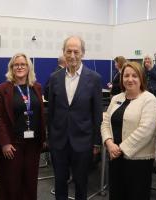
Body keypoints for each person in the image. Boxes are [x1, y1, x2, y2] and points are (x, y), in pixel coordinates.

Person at [47, 36, 102, 200]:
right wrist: (50, 137)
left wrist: (97, 142)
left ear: (82, 53)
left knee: (81, 183)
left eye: (76, 51)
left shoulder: (94, 79)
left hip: (83, 141)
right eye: (68, 51)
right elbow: (51, 111)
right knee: (60, 182)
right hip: (59, 141)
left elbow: (97, 113)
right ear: (63, 53)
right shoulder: (54, 78)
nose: (72, 55)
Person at [101, 61, 156, 200]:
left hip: (138, 161)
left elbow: (145, 131)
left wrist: (119, 149)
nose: (130, 79)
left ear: (141, 78)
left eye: (134, 75)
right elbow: (105, 123)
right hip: (114, 157)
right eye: (126, 75)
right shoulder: (117, 98)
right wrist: (109, 143)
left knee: (136, 195)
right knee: (116, 194)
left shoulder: (149, 100)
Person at [0, 53, 46, 200]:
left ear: (28, 67)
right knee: (11, 183)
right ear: (11, 68)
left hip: (33, 144)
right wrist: (4, 143)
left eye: (23, 64)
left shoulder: (36, 87)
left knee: (30, 183)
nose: (20, 67)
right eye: (16, 65)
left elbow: (40, 114)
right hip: (12, 144)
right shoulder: (3, 89)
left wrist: (42, 137)